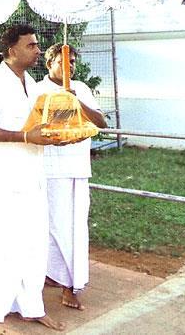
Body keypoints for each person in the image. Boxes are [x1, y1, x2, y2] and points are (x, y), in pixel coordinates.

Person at [0, 24, 66, 331]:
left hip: (32, 172)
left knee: (33, 242)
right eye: (31, 45)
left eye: (36, 45)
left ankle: (31, 306)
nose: (37, 49)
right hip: (4, 175)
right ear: (12, 51)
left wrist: (56, 135)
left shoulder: (32, 84)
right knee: (6, 240)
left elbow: (36, 127)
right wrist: (25, 137)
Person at [37, 43, 107, 311]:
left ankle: (67, 281)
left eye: (73, 62)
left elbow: (100, 122)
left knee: (74, 228)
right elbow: (38, 126)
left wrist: (75, 99)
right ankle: (60, 278)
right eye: (63, 63)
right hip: (49, 169)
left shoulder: (82, 88)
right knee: (52, 226)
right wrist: (64, 104)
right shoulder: (37, 90)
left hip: (77, 168)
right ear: (49, 64)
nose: (70, 67)